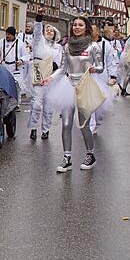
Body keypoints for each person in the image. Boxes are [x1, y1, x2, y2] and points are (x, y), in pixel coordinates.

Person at [44, 16, 103, 173]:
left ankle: (90, 154)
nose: (77, 27)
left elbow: (101, 66)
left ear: (86, 27)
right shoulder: (67, 46)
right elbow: (63, 68)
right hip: (68, 86)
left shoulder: (93, 46)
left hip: (85, 86)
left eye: (80, 25)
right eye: (75, 25)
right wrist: (50, 78)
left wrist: (94, 69)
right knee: (66, 124)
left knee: (84, 125)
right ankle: (67, 158)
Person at [27, 10, 62, 140]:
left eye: (51, 31)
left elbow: (59, 62)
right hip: (38, 72)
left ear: (54, 34)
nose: (48, 32)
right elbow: (37, 31)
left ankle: (46, 129)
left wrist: (52, 68)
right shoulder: (38, 41)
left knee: (48, 105)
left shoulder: (58, 47)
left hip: (51, 77)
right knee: (36, 103)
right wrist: (39, 18)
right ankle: (33, 128)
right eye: (46, 30)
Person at [0, 26, 28, 109]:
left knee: (16, 86)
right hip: (4, 67)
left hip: (16, 69)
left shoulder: (21, 44)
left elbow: (26, 55)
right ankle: (5, 102)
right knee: (4, 85)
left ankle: (16, 103)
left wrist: (21, 60)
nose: (7, 36)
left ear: (14, 35)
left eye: (10, 34)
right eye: (6, 34)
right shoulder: (1, 42)